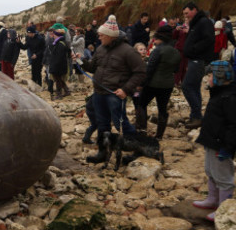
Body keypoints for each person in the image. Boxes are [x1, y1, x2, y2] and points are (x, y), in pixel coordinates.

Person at [81, 15, 145, 163]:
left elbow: (141, 72)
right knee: (102, 124)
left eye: (102, 34)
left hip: (115, 95)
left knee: (122, 124)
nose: (99, 36)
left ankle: (137, 150)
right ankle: (102, 153)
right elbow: (92, 67)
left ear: (110, 36)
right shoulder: (101, 48)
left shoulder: (128, 51)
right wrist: (80, 61)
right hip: (99, 94)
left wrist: (126, 89)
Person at [193, 61, 236, 221]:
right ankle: (213, 199)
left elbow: (235, 126)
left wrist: (228, 147)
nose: (207, 80)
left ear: (219, 77)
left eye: (210, 76)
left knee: (224, 177)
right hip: (212, 140)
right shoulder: (219, 92)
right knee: (211, 171)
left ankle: (223, 208)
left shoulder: (231, 98)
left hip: (222, 144)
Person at [139, 26, 181, 139]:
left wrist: (141, 84)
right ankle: (159, 136)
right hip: (168, 85)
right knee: (162, 109)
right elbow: (176, 70)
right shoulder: (176, 52)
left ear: (159, 39)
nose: (154, 42)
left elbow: (150, 69)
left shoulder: (157, 50)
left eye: (155, 39)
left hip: (153, 84)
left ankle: (142, 130)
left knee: (141, 104)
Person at [181, 2, 215, 129]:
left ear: (194, 10)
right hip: (194, 60)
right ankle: (195, 116)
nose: (185, 15)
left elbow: (209, 39)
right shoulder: (196, 23)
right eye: (184, 14)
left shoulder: (203, 22)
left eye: (187, 13)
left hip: (198, 59)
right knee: (194, 88)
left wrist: (194, 49)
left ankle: (197, 117)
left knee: (187, 86)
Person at [48, 28, 71, 99]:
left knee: (58, 80)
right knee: (59, 79)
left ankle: (59, 94)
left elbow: (59, 57)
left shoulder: (60, 44)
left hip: (58, 66)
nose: (53, 36)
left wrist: (54, 65)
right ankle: (67, 91)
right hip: (60, 65)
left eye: (54, 35)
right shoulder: (60, 42)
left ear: (57, 35)